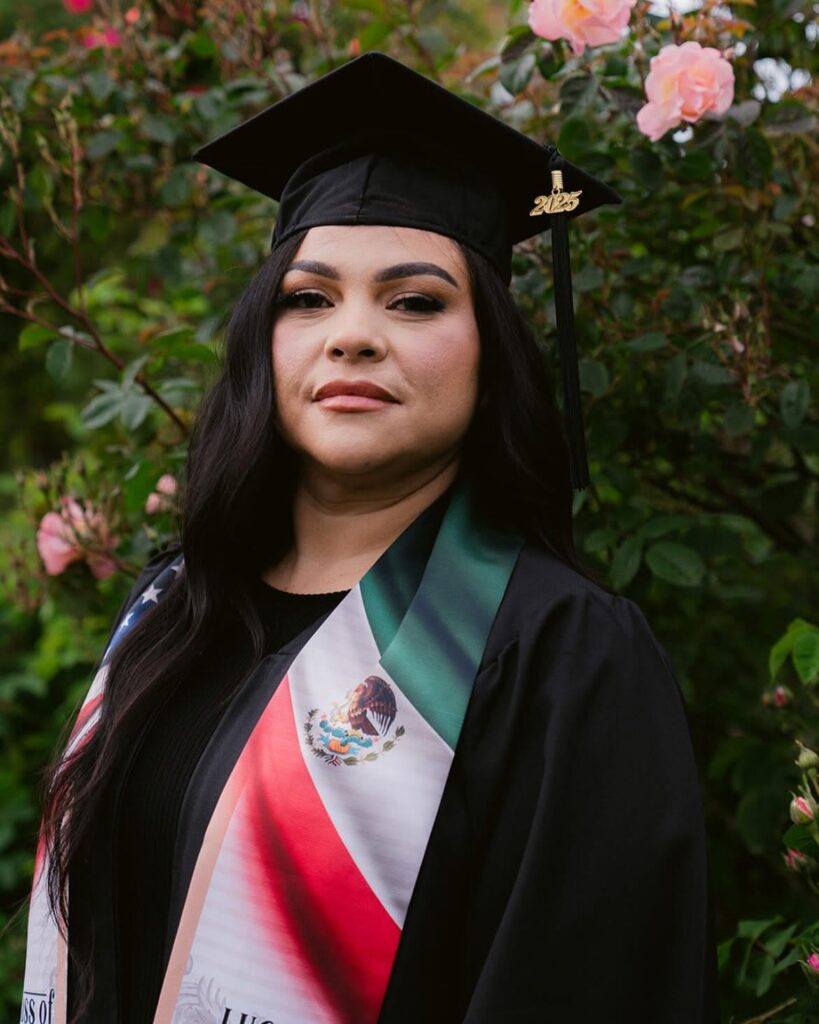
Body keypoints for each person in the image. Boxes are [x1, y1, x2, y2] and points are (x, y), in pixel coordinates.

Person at [20, 51, 720, 1023]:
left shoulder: (560, 655)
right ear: (266, 337)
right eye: (310, 298)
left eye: (416, 299)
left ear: (491, 350)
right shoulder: (176, 614)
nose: (352, 335)